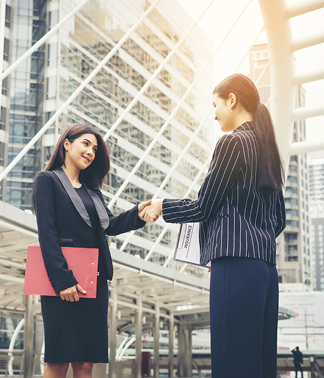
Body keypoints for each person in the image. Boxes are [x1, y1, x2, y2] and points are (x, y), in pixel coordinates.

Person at [142, 73, 286, 378]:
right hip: (266, 270)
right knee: (259, 364)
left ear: (232, 100)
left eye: (216, 105)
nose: (215, 113)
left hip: (235, 267)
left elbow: (204, 206)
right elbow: (280, 221)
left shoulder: (232, 143)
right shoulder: (269, 151)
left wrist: (162, 206)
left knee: (231, 360)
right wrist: (243, 243)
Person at [32, 124, 155, 378]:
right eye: (85, 144)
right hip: (63, 284)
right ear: (67, 144)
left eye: (95, 149)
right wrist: (63, 280)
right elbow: (47, 234)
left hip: (93, 283)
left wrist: (139, 213)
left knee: (86, 363)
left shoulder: (93, 192)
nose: (90, 152)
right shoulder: (48, 181)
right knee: (58, 361)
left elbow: (109, 225)